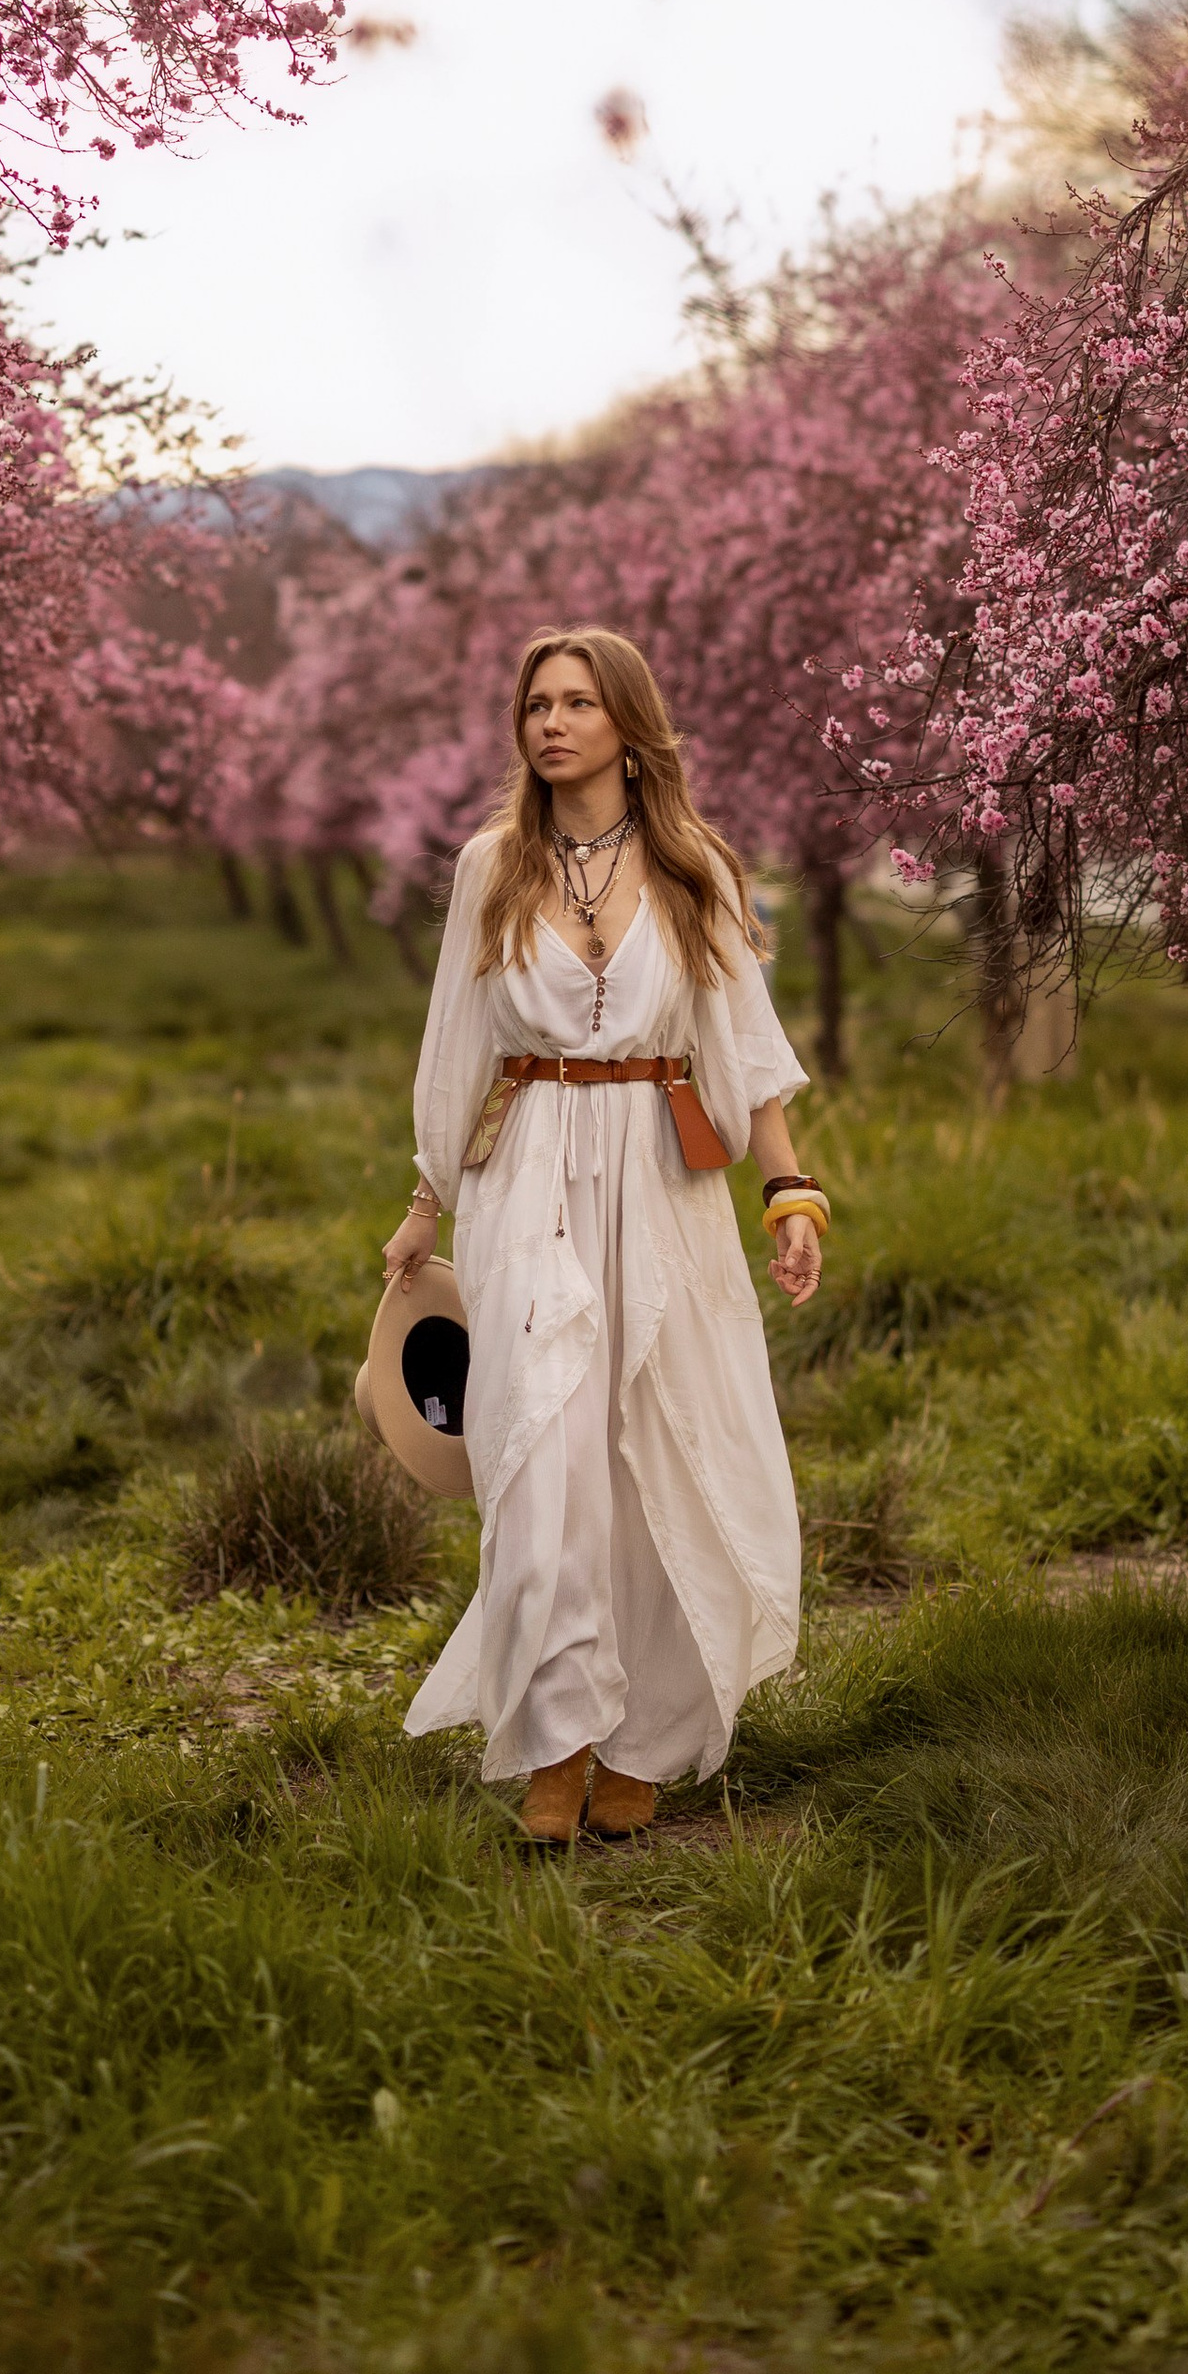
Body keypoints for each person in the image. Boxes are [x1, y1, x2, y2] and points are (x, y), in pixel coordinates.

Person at [382, 627, 825, 1846]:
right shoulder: (492, 866)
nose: (554, 723)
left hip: (663, 1178)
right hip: (529, 1173)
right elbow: (452, 1049)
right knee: (542, 1455)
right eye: (536, 703)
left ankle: (647, 1738)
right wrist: (426, 1203)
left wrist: (793, 1195)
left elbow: (747, 1052)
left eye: (579, 702)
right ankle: (557, 1743)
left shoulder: (696, 868)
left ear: (629, 725)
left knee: (657, 1453)